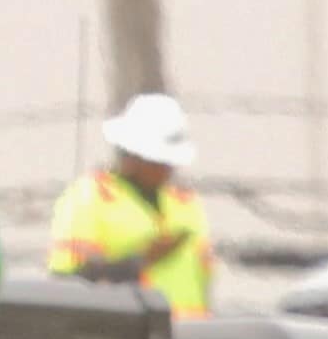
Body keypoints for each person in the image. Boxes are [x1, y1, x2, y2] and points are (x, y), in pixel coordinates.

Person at [47, 92, 218, 314]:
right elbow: (67, 283)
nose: (167, 169)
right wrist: (140, 261)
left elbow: (203, 281)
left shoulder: (186, 205)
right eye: (158, 161)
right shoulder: (90, 198)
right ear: (131, 155)